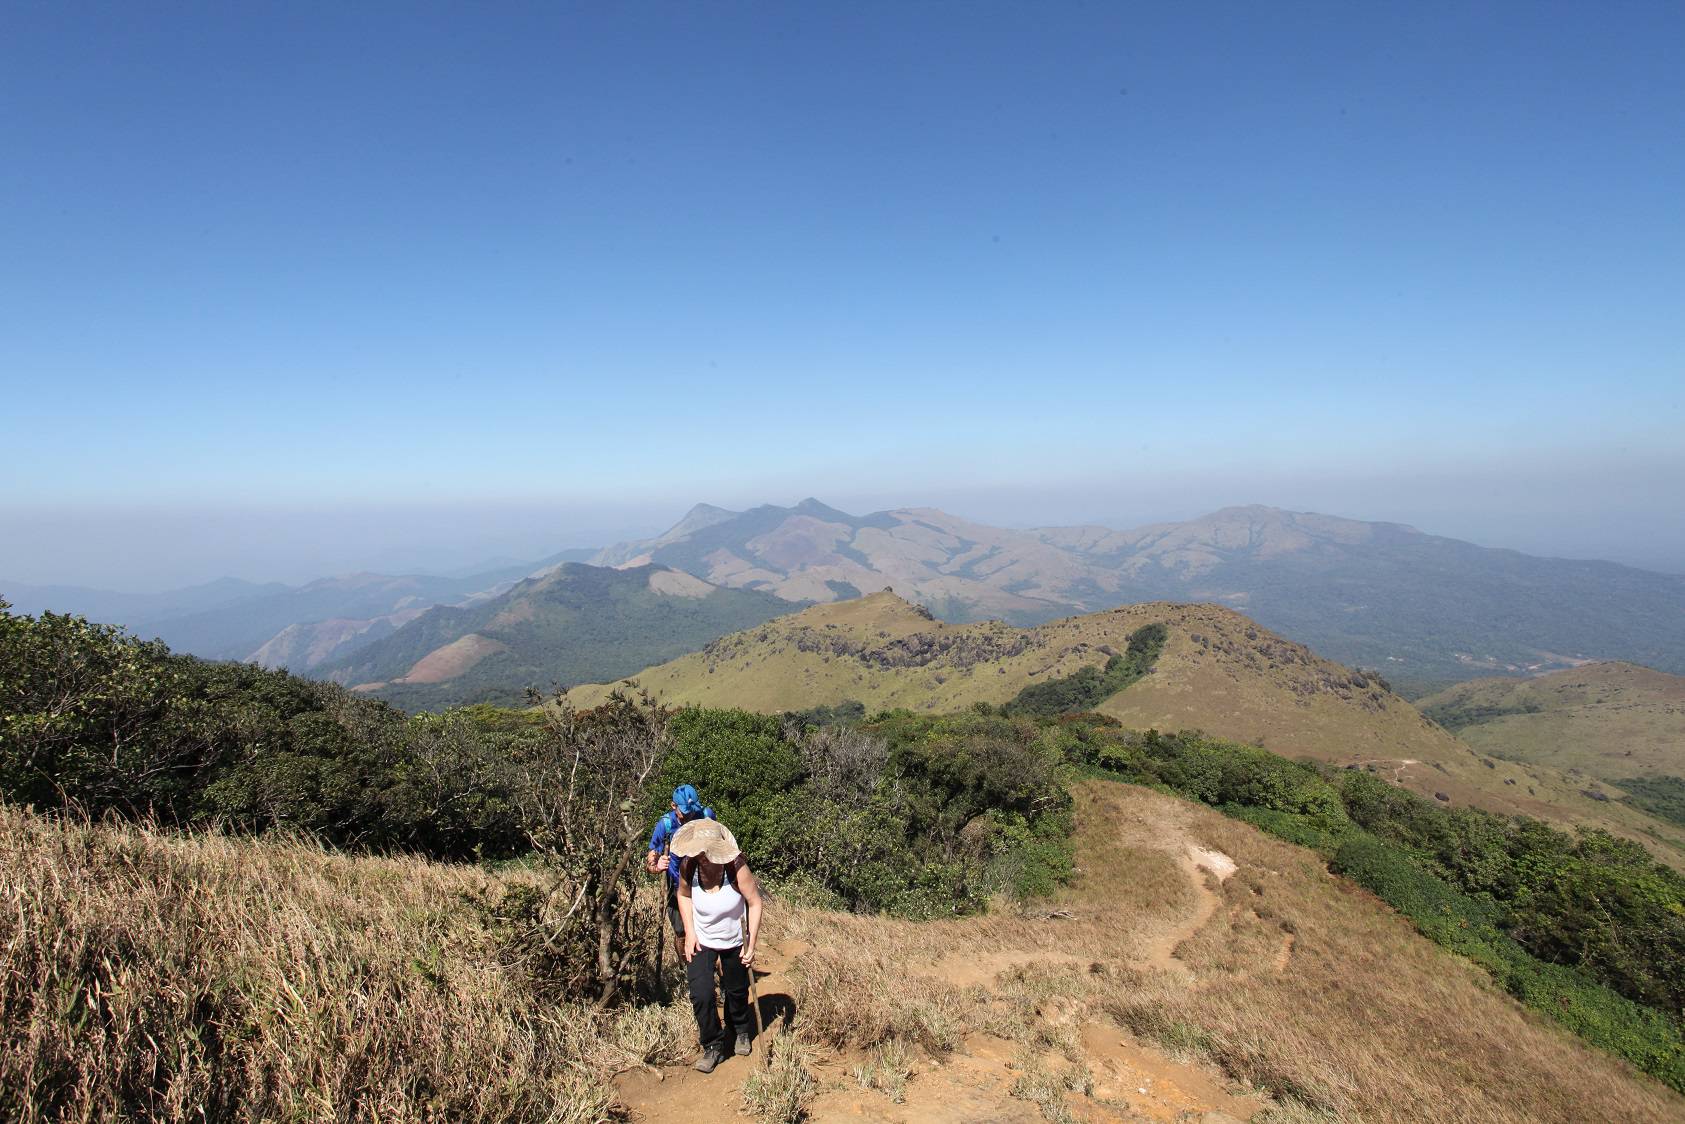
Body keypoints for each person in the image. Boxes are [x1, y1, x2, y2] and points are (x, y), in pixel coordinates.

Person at [670, 818, 763, 1074]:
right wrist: (689, 932)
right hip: (702, 939)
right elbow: (683, 895)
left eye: (706, 851)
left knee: (735, 989)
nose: (702, 856)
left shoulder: (736, 867)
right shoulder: (689, 867)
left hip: (734, 939)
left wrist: (751, 942)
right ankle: (712, 1043)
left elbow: (754, 903)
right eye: (699, 851)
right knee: (701, 993)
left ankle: (740, 1028)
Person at [645, 784, 715, 940]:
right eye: (684, 811)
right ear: (673, 806)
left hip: (705, 882)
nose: (690, 815)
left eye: (692, 810)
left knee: (707, 932)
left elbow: (719, 842)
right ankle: (685, 964)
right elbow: (650, 860)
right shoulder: (665, 824)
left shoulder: (706, 815)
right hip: (677, 886)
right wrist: (657, 867)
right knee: (682, 933)